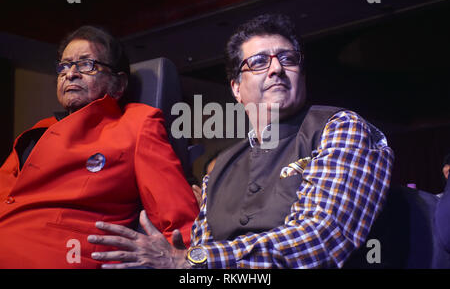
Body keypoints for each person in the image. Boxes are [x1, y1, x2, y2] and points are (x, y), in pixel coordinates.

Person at [87, 14, 394, 269]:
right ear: (236, 88)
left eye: (288, 58)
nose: (276, 69)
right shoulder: (220, 168)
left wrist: (194, 261)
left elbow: (321, 239)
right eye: (259, 62)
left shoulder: (339, 127)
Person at [0, 26, 199, 268]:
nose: (70, 74)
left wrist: (190, 261)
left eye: (86, 65)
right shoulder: (35, 133)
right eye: (64, 66)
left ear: (118, 84)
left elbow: (178, 217)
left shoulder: (136, 124)